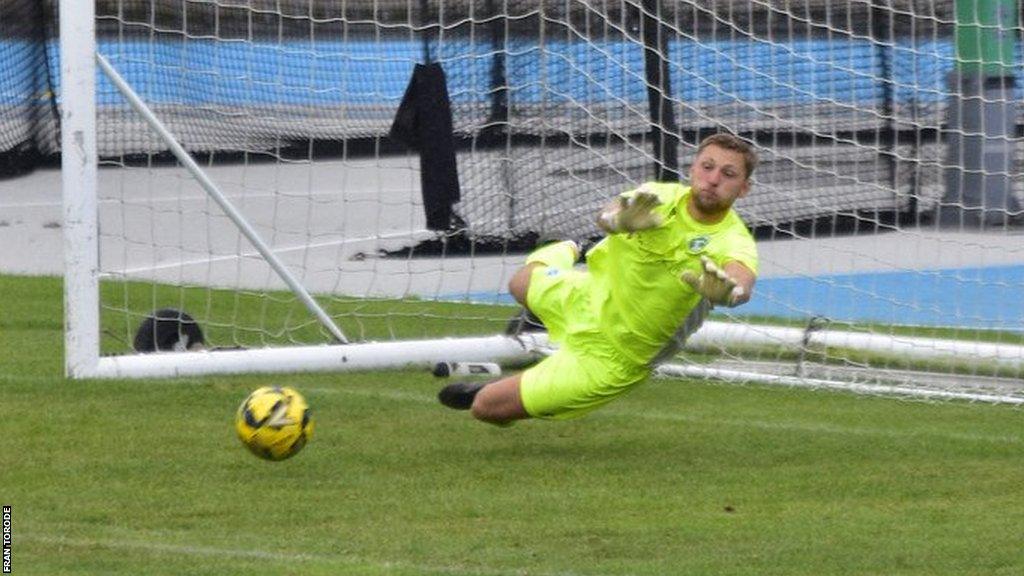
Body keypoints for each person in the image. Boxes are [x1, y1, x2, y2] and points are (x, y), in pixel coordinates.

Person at [438, 133, 759, 425]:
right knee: (519, 283)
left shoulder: (733, 239)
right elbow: (607, 214)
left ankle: (507, 388)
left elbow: (740, 279)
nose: (713, 179)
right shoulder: (658, 196)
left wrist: (729, 293)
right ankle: (564, 248)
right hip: (588, 296)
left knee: (486, 408)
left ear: (743, 188)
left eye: (728, 174)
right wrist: (618, 219)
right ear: (693, 169)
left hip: (614, 355)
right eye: (707, 166)